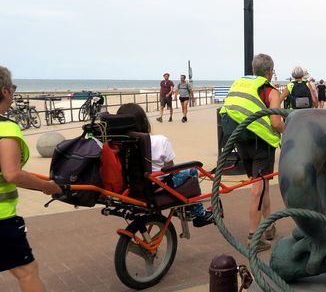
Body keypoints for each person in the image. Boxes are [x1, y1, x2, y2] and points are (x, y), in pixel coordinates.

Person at [0, 66, 62, 292]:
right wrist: (46, 187)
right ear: (5, 91)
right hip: (1, 218)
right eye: (13, 87)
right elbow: (12, 174)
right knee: (27, 272)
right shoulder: (5, 128)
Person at [219, 53, 284, 252]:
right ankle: (253, 236)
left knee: (261, 183)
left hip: (240, 139)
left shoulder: (240, 82)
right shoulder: (269, 90)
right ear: (270, 72)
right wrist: (286, 128)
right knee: (258, 187)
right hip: (260, 143)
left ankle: (269, 225)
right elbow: (275, 122)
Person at [116, 103, 213, 227]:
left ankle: (186, 209)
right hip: (156, 187)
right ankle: (199, 213)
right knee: (192, 170)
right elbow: (171, 170)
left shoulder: (117, 143)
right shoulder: (159, 141)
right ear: (144, 121)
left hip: (131, 187)